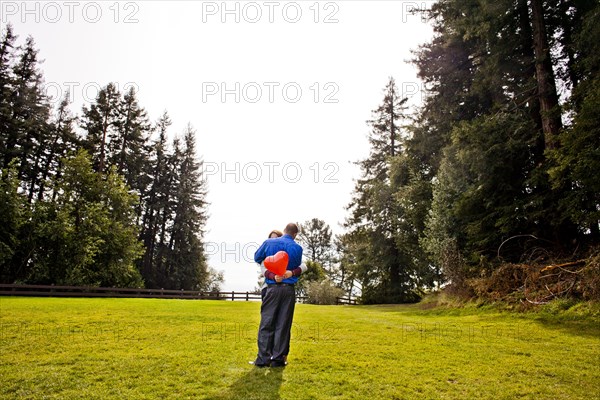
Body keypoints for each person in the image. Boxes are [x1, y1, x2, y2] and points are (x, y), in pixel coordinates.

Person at [252, 223, 303, 368]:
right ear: (295, 235)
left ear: (284, 231)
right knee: (283, 324)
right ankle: (278, 360)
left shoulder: (269, 243)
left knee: (267, 323)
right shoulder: (297, 248)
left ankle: (263, 359)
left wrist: (270, 270)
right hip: (288, 290)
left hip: (272, 288)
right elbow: (295, 266)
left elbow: (257, 257)